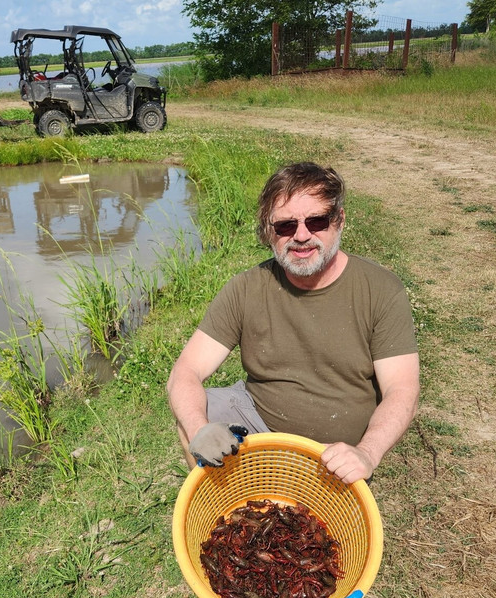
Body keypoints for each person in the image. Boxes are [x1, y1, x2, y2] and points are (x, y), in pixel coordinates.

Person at [166, 162, 420, 484]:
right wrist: (199, 428)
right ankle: (225, 502)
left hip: (334, 450)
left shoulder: (380, 289)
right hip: (258, 422)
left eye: (316, 221)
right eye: (286, 226)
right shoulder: (247, 288)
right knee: (197, 415)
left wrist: (367, 452)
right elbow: (185, 371)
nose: (301, 236)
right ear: (268, 231)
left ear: (339, 221)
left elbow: (403, 389)